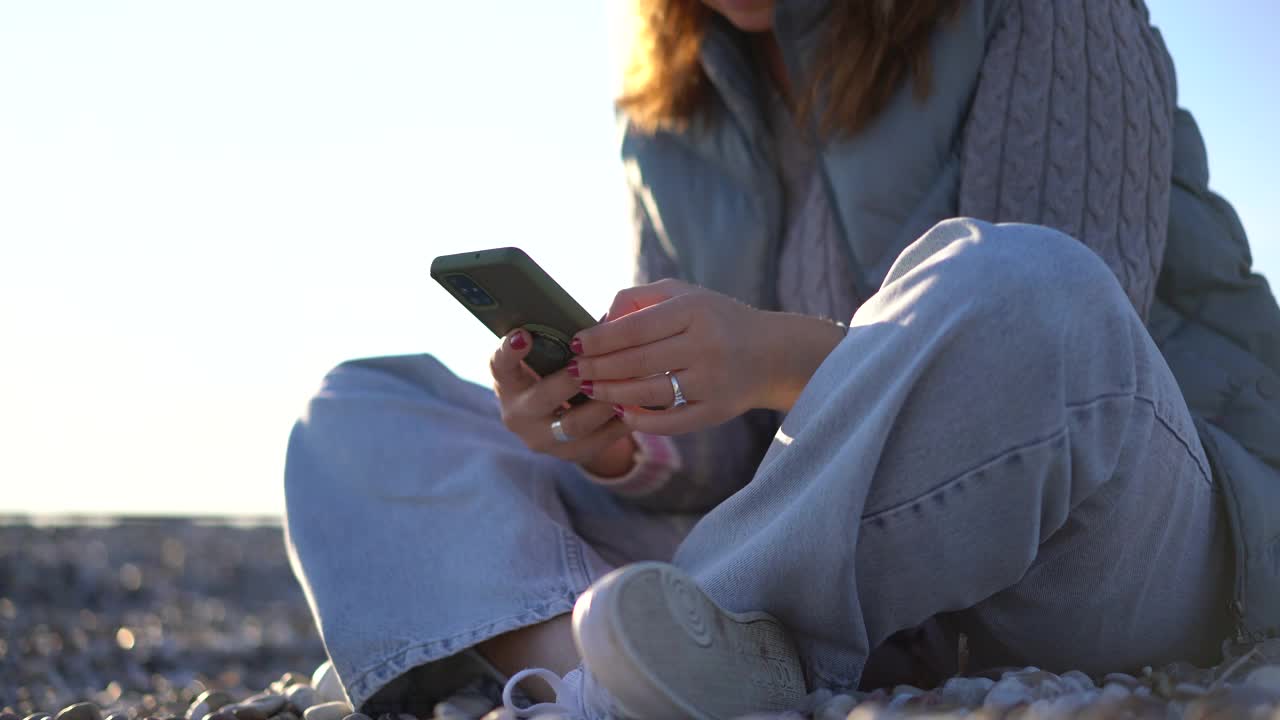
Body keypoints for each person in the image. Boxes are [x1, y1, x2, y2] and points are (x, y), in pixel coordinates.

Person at [283, 0, 1280, 717]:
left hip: (1113, 525)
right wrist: (615, 441)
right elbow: (722, 458)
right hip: (816, 557)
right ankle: (598, 658)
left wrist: (768, 356)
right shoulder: (668, 96)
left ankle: (659, 650)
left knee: (1024, 281)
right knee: (365, 408)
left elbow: (1053, 359)